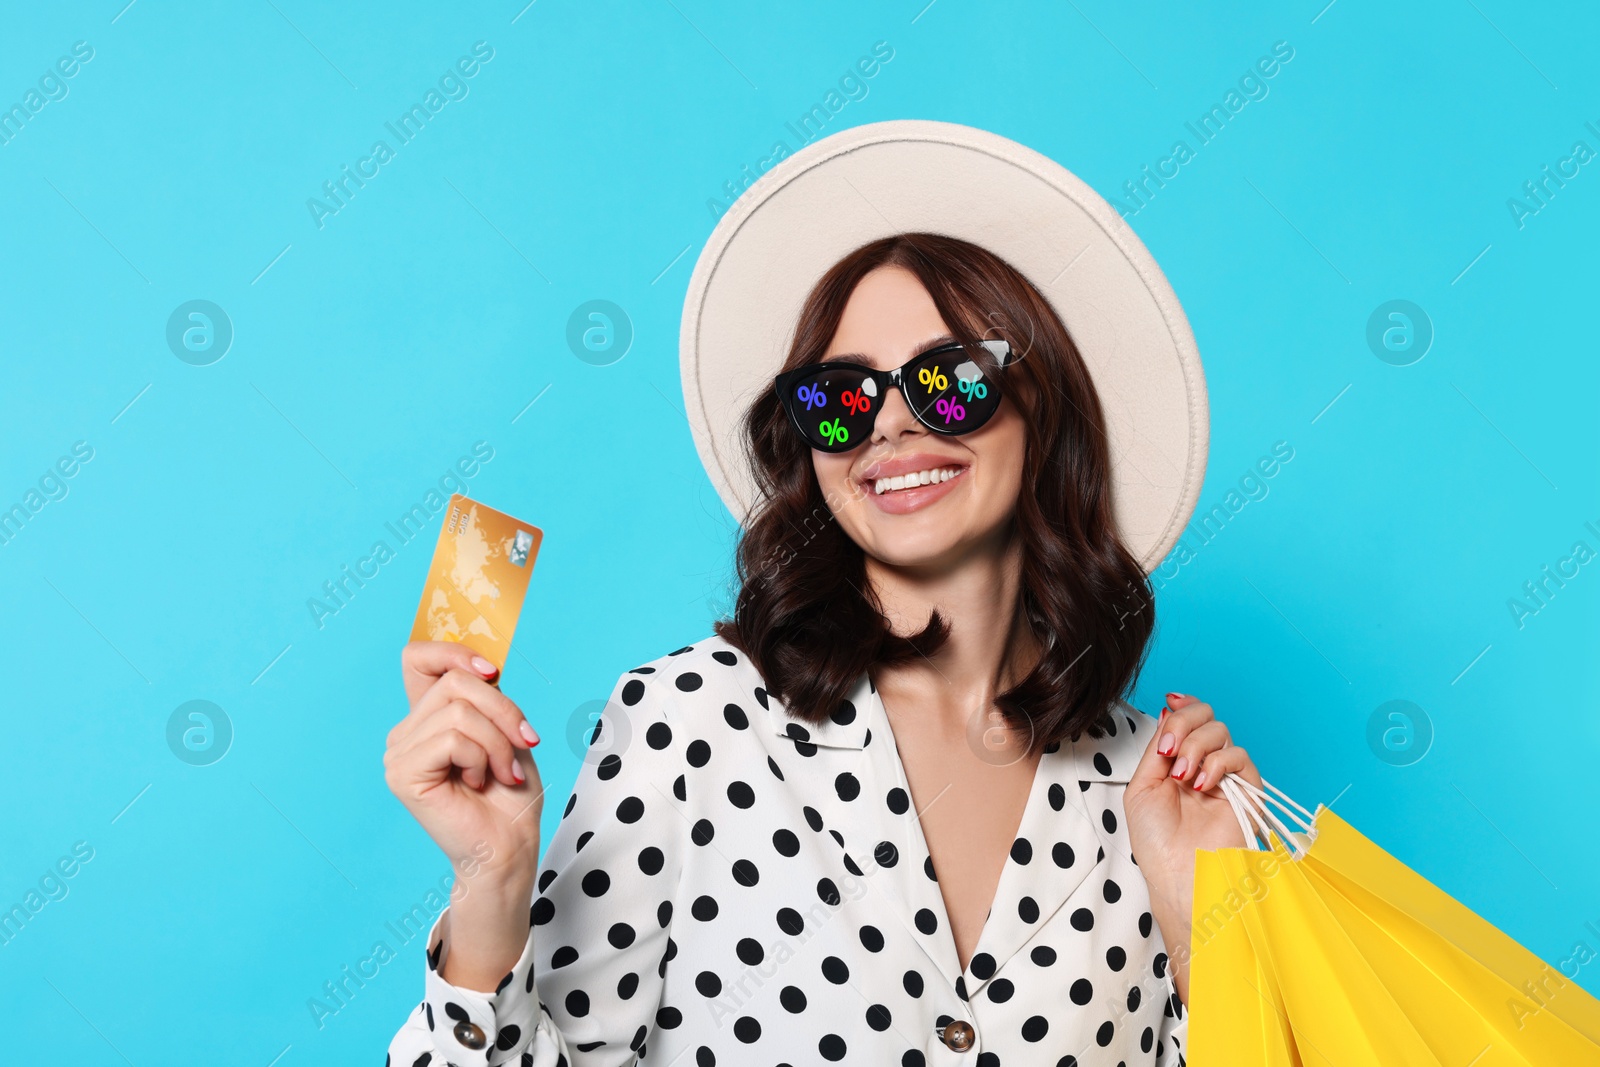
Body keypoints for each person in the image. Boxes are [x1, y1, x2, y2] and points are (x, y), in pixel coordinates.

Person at [384, 221, 1260, 1066]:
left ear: (1046, 412)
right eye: (841, 398)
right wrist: (491, 887)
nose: (886, 424)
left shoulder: (1161, 789)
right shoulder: (694, 723)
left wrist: (1204, 929)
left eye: (946, 380)